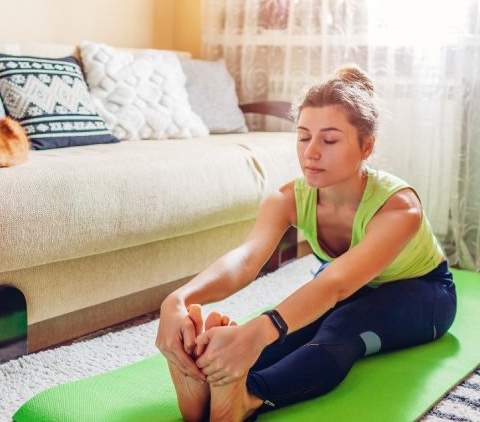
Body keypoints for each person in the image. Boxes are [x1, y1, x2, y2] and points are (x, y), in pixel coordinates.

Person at [155, 64, 457, 422]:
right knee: (291, 329)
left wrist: (255, 333)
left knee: (340, 327)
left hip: (424, 293)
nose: (310, 153)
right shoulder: (287, 199)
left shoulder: (399, 206)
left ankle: (249, 398)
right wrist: (179, 299)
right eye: (303, 137)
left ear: (367, 146)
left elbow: (336, 283)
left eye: (329, 140)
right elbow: (245, 259)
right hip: (350, 290)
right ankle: (208, 378)